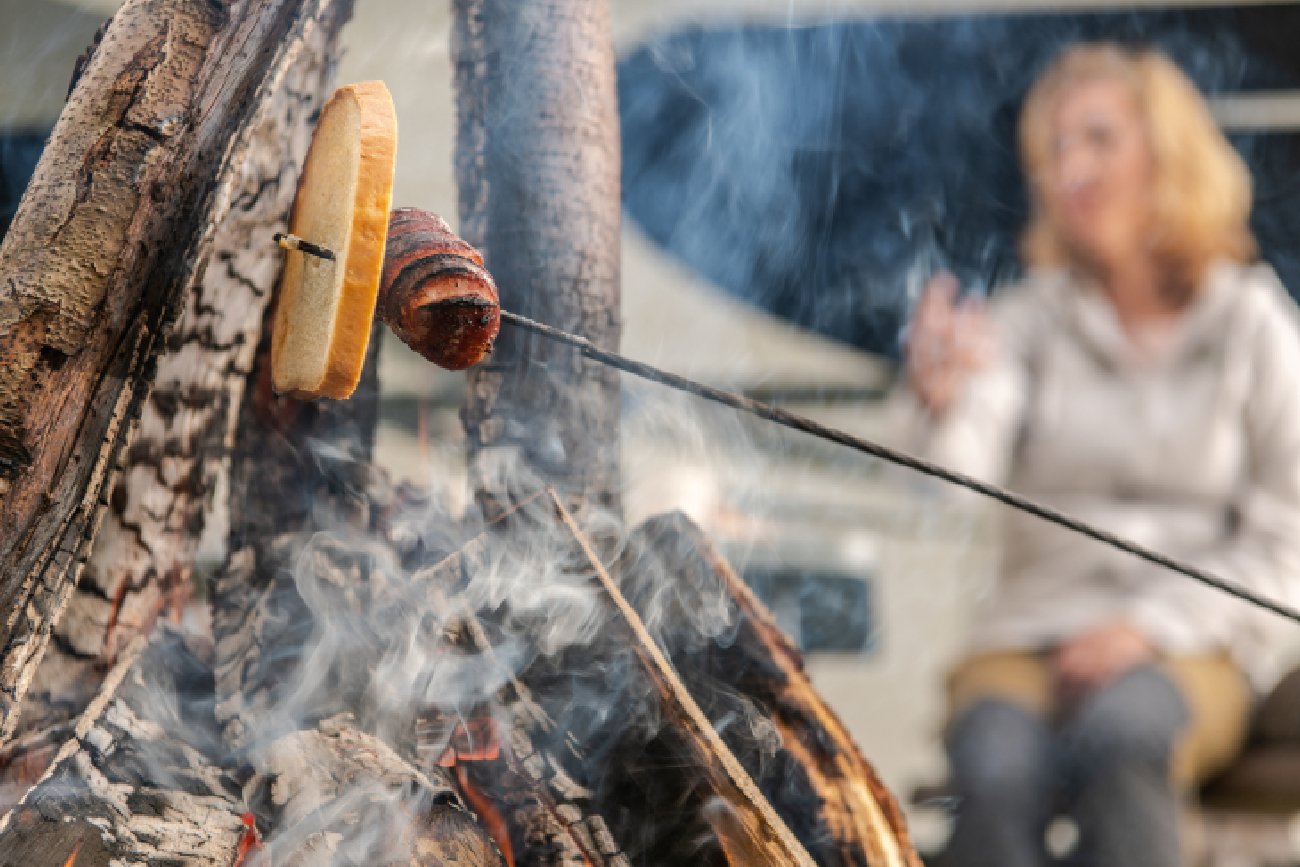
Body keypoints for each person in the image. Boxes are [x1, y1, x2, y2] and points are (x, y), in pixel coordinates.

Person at [902, 43, 1300, 867]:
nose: (1069, 166)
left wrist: (1150, 627)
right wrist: (938, 406)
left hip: (1190, 643)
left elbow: (1290, 536)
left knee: (1125, 733)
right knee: (992, 762)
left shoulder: (1251, 322)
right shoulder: (1027, 320)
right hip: (1027, 636)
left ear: (1167, 152)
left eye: (1097, 138)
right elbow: (952, 486)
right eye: (1052, 149)